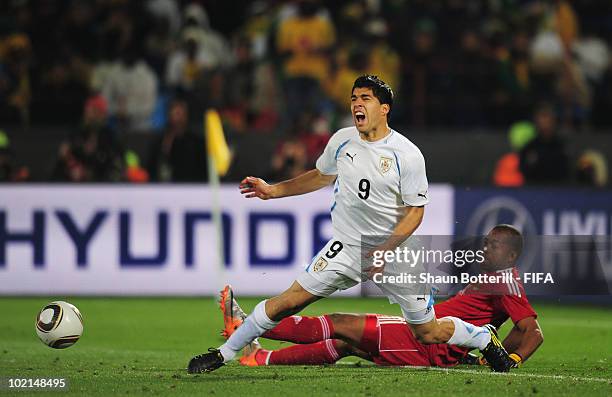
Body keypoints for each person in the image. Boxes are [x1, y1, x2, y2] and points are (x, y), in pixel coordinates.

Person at [187, 75, 515, 373]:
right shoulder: (342, 140)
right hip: (345, 246)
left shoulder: (408, 154)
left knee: (427, 331)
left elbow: (416, 212)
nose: (357, 103)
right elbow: (320, 176)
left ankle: (482, 337)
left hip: (396, 252)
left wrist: (385, 250)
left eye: (366, 99)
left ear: (384, 108)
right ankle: (223, 354)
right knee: (290, 299)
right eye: (354, 97)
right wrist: (273, 191)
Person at [220, 225, 543, 369]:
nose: (486, 246)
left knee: (341, 324)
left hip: (426, 345)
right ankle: (262, 357)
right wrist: (491, 352)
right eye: (486, 241)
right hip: (424, 337)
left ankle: (245, 327)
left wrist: (511, 359)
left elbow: (531, 332)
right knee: (347, 341)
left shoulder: (505, 280)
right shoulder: (491, 278)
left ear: (512, 254)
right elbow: (511, 328)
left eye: (495, 244)